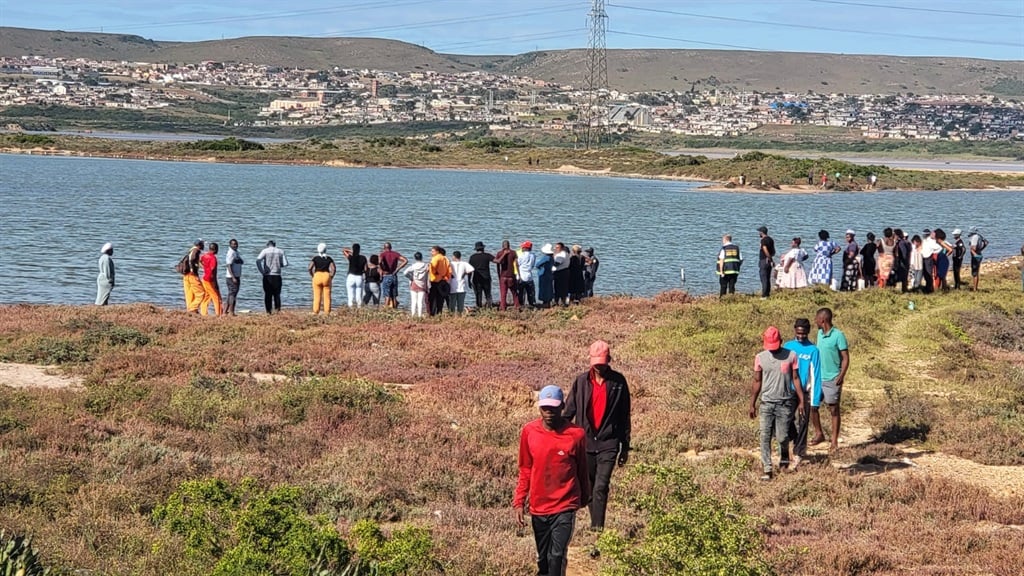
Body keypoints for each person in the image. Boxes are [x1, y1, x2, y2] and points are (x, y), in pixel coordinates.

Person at [513, 385, 591, 576]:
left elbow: (583, 469)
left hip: (565, 504)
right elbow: (525, 469)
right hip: (539, 507)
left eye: (553, 407)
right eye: (545, 407)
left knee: (557, 556)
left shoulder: (576, 434)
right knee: (543, 559)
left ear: (562, 406)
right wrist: (519, 501)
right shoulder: (529, 432)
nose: (549, 412)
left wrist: (584, 498)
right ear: (539, 407)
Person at [562, 340, 631, 532]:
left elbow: (625, 414)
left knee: (601, 486)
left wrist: (625, 446)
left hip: (609, 442)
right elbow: (569, 411)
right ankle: (596, 526)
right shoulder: (581, 382)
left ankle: (597, 530)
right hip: (585, 442)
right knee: (589, 488)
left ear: (609, 359)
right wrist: (559, 437)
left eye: (602, 362)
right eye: (596, 363)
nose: (599, 366)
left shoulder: (619, 382)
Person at [749, 326, 803, 481]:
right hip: (766, 403)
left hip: (785, 403)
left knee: (782, 436)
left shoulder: (791, 356)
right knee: (764, 436)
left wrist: (800, 401)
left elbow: (796, 378)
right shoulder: (760, 357)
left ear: (781, 341)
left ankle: (784, 453)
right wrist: (752, 403)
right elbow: (757, 381)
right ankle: (767, 469)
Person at [783, 318, 821, 470]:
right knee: (786, 420)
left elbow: (816, 375)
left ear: (808, 332)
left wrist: (815, 400)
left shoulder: (813, 350)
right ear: (794, 330)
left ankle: (799, 452)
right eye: (798, 333)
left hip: (805, 392)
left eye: (804, 334)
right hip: (788, 390)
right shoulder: (788, 346)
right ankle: (793, 439)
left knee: (803, 421)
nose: (801, 336)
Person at [814, 307, 849, 454]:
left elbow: (846, 358)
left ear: (822, 320)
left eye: (816, 319)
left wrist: (841, 375)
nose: (815, 321)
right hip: (818, 377)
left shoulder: (838, 335)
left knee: (833, 409)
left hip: (832, 378)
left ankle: (834, 441)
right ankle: (819, 433)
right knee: (812, 406)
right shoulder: (819, 334)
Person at [256, 240, 288, 314]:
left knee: (268, 294)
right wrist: (279, 265)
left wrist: (262, 271)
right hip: (277, 275)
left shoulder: (265, 251)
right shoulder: (280, 251)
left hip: (267, 275)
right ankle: (277, 310)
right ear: (275, 245)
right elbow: (285, 264)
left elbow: (258, 261)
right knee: (277, 294)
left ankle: (268, 311)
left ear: (268, 245)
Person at [308, 243, 336, 315]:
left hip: (317, 275)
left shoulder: (315, 258)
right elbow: (333, 269)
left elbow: (310, 268)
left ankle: (316, 311)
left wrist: (312, 275)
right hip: (326, 276)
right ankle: (327, 312)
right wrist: (331, 276)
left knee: (317, 295)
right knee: (327, 295)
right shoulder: (329, 258)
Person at [378, 242, 408, 309]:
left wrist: (382, 269)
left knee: (387, 295)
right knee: (394, 296)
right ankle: (394, 309)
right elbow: (405, 260)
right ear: (391, 247)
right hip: (394, 275)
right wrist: (397, 269)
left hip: (386, 275)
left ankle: (386, 309)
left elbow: (379, 262)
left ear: (384, 248)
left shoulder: (383, 254)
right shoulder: (395, 254)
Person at [494, 240, 520, 311]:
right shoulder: (513, 252)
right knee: (514, 293)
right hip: (511, 276)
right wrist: (518, 274)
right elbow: (516, 264)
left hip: (503, 276)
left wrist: (499, 275)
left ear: (502, 246)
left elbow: (498, 265)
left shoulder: (499, 253)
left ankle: (503, 308)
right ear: (509, 245)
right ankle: (517, 306)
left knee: (503, 293)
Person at [182, 240, 206, 313]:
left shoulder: (191, 250)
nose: (203, 246)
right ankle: (192, 309)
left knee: (190, 294)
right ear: (199, 245)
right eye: (202, 244)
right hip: (192, 275)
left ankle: (192, 309)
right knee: (201, 293)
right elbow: (192, 259)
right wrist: (193, 269)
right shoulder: (196, 251)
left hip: (186, 275)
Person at [199, 242, 223, 316]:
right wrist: (216, 283)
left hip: (204, 278)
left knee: (207, 296)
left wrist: (204, 267)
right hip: (210, 280)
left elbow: (199, 261)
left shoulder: (205, 255)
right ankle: (218, 314)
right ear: (215, 250)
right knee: (216, 297)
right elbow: (213, 271)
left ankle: (203, 312)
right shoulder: (213, 258)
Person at [468, 241, 494, 309]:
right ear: (483, 248)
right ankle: (489, 308)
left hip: (476, 279)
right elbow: (497, 261)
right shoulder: (487, 255)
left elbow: (470, 270)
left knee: (478, 295)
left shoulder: (472, 257)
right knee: (488, 294)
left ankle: (479, 308)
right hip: (486, 278)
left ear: (476, 249)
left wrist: (469, 280)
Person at [428, 246, 452, 316]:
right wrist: (446, 278)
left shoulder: (435, 258)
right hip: (443, 280)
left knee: (433, 298)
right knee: (440, 298)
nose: (431, 253)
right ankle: (439, 312)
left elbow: (432, 267)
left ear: (437, 251)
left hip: (435, 280)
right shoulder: (445, 258)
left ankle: (432, 314)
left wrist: (433, 272)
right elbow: (449, 270)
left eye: (432, 251)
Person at [403, 252, 429, 317]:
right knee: (420, 301)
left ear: (415, 258)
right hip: (422, 285)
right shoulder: (426, 266)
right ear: (421, 257)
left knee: (413, 301)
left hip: (414, 284)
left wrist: (411, 278)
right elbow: (428, 275)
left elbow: (405, 272)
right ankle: (420, 315)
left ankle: (413, 314)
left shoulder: (413, 266)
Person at [342, 243, 367, 308]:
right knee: (359, 295)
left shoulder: (351, 257)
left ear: (353, 249)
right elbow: (366, 269)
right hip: (359, 277)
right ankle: (359, 308)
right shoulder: (363, 258)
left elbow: (344, 250)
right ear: (359, 250)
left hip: (351, 277)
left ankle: (350, 307)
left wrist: (352, 251)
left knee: (350, 295)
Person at [224, 239, 243, 316]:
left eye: (236, 244)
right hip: (232, 277)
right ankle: (231, 311)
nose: (235, 245)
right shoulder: (230, 253)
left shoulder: (236, 252)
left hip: (236, 276)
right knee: (233, 294)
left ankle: (225, 311)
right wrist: (233, 277)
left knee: (231, 294)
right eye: (233, 244)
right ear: (230, 245)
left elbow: (241, 261)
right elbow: (228, 265)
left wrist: (238, 260)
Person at [516, 241, 537, 308]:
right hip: (529, 276)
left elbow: (517, 264)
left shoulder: (521, 256)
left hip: (522, 276)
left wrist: (518, 275)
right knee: (530, 293)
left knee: (521, 293)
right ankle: (532, 305)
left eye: (523, 247)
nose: (522, 248)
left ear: (525, 248)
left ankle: (521, 305)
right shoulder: (533, 256)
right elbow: (533, 265)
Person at [967, 226, 988, 291]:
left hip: (975, 256)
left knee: (974, 272)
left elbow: (974, 248)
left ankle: (975, 288)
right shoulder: (979, 236)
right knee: (976, 271)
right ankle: (975, 287)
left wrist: (972, 250)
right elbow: (986, 243)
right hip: (979, 254)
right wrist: (981, 249)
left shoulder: (974, 237)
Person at [757, 226, 775, 298]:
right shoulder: (771, 239)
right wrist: (771, 258)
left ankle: (764, 295)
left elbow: (765, 249)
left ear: (762, 232)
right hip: (769, 261)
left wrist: (769, 257)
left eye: (759, 232)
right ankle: (767, 294)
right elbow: (773, 251)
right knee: (767, 278)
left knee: (763, 278)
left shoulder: (763, 240)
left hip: (764, 260)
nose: (759, 233)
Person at [535, 243, 555, 308]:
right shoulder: (552, 258)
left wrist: (540, 268)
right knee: (549, 288)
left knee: (543, 288)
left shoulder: (546, 257)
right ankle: (548, 302)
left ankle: (545, 303)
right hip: (549, 274)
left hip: (544, 274)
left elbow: (537, 264)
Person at [919, 229, 938, 294]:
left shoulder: (932, 241)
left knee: (929, 274)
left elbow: (938, 248)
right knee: (925, 273)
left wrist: (932, 253)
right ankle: (927, 287)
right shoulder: (923, 241)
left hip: (928, 258)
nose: (923, 235)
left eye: (924, 234)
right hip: (923, 258)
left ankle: (930, 289)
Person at [552, 242, 571, 306]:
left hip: (560, 273)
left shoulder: (561, 255)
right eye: (556, 247)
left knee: (558, 288)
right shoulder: (566, 253)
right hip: (564, 272)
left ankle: (557, 303)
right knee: (563, 288)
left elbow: (556, 264)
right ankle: (563, 302)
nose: (556, 249)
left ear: (562, 248)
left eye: (558, 247)